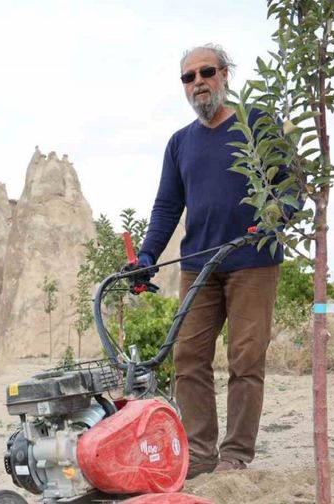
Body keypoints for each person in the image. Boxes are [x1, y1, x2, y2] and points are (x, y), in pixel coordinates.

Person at [137, 44, 282, 479]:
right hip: (198, 265)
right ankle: (200, 454)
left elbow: (290, 184)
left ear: (225, 75)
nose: (198, 82)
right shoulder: (180, 143)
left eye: (206, 72)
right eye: (188, 77)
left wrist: (274, 218)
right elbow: (167, 206)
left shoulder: (257, 124)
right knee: (188, 357)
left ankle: (235, 454)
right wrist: (147, 256)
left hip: (253, 261)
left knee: (245, 357)